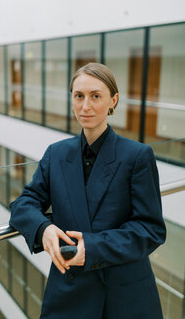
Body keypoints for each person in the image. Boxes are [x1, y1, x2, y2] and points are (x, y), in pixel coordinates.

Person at [9, 62, 166, 319]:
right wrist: (43, 228)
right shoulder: (56, 153)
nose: (85, 106)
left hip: (122, 295)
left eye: (96, 96)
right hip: (69, 293)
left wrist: (92, 248)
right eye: (78, 96)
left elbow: (150, 229)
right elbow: (25, 202)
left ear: (113, 100)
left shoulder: (137, 156)